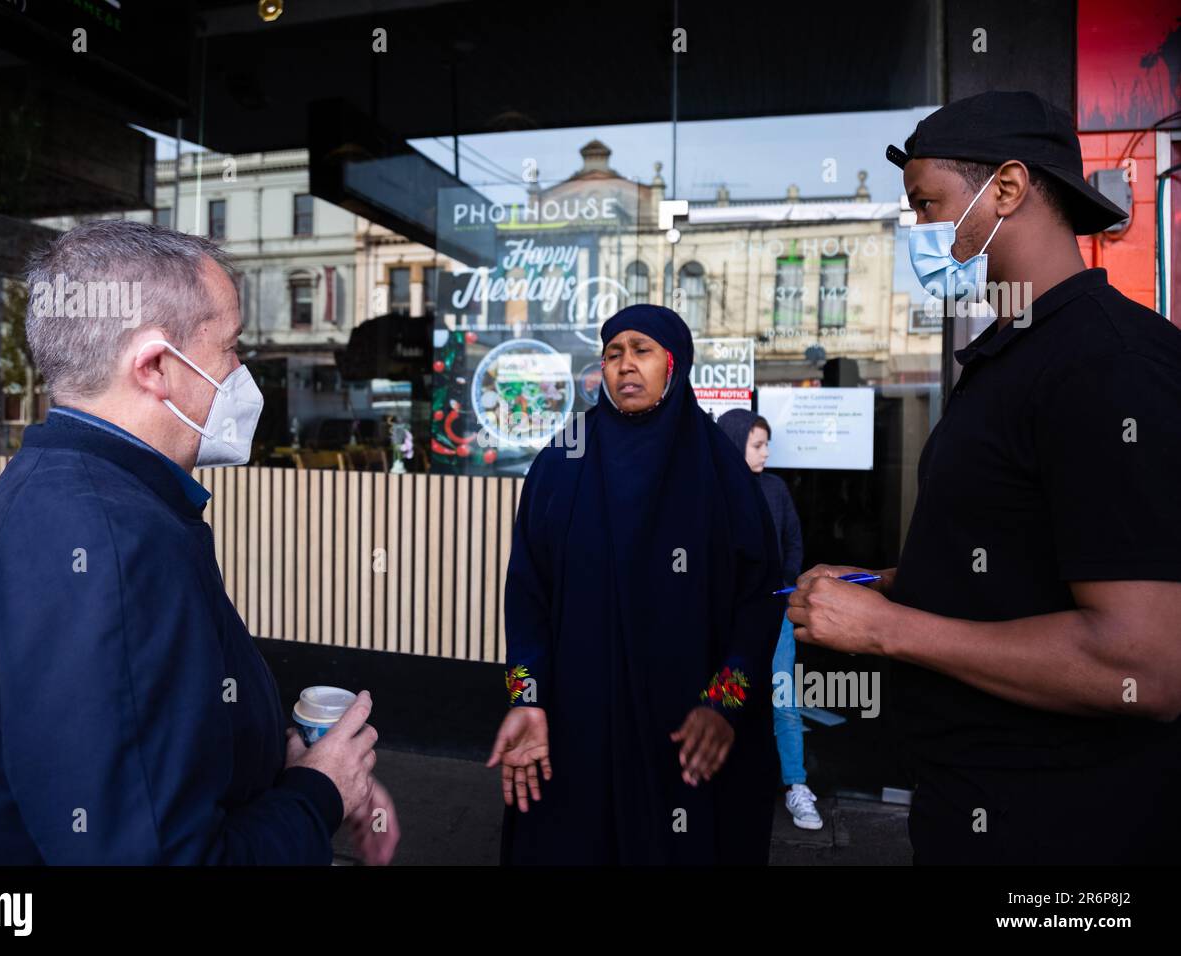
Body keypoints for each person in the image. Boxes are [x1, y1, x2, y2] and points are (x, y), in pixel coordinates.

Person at [0, 219, 398, 865]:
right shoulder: (110, 547)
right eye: (232, 347)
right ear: (157, 366)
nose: (243, 373)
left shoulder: (76, 493)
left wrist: (290, 774)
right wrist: (318, 794)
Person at [789, 91, 1181, 864]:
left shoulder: (1109, 367)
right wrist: (894, 584)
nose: (916, 230)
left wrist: (888, 630)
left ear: (1006, 189)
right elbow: (1028, 562)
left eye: (927, 204)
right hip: (972, 808)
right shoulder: (1014, 355)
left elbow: (1145, 664)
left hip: (1066, 839)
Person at [487, 304, 785, 865]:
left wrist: (725, 701)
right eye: (612, 352)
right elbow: (527, 595)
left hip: (685, 734)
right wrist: (525, 695)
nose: (624, 364)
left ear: (674, 365)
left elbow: (759, 601)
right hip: (576, 732)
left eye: (641, 350)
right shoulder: (562, 460)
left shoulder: (720, 472)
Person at [717, 410, 818, 830]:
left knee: (784, 699)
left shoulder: (774, 489)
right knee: (727, 694)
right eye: (758, 444)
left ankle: (795, 784)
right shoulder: (712, 493)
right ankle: (724, 784)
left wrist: (783, 587)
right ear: (736, 442)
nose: (767, 452)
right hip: (727, 616)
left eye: (766, 443)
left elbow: (793, 540)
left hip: (773, 612)